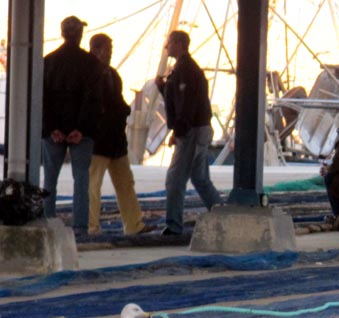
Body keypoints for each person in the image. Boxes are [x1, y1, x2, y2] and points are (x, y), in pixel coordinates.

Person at [155, 30, 222, 237]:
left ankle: (174, 226)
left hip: (192, 130)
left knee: (175, 179)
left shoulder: (184, 70)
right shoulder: (185, 69)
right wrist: (163, 87)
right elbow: (181, 98)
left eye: (169, 43)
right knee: (200, 178)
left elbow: (186, 104)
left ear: (179, 43)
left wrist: (178, 130)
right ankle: (222, 214)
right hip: (199, 128)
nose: (166, 48)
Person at [41, 16, 104, 235]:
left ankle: (47, 223)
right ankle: (79, 227)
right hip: (82, 133)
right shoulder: (92, 64)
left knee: (49, 180)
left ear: (62, 33)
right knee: (81, 181)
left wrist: (52, 128)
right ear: (80, 35)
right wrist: (81, 128)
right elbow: (93, 99)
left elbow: (43, 99)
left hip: (53, 133)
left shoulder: (48, 61)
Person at [87, 34, 151, 236]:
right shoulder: (89, 74)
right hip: (98, 140)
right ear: (97, 49)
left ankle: (134, 224)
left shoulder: (112, 75)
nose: (110, 53)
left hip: (115, 141)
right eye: (107, 48)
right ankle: (91, 227)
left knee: (125, 183)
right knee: (93, 186)